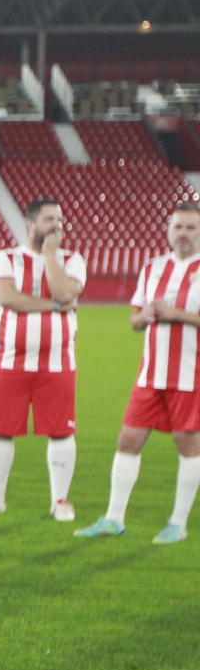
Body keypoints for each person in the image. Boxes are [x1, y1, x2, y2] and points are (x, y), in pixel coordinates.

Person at [76, 203, 200, 544]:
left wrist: (179, 314)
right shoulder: (152, 268)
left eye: (191, 227)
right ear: (169, 230)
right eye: (179, 227)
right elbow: (132, 320)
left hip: (191, 373)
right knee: (128, 440)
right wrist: (144, 316)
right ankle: (113, 518)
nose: (184, 233)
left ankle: (178, 523)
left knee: (187, 443)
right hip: (150, 374)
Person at [0, 198, 86, 521]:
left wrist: (50, 255)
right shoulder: (5, 258)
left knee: (61, 431)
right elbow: (7, 298)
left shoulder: (72, 259)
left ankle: (60, 501)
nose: (57, 226)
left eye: (60, 220)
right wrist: (51, 306)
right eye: (49, 219)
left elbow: (66, 293)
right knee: (0, 430)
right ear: (31, 224)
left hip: (58, 361)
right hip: (9, 360)